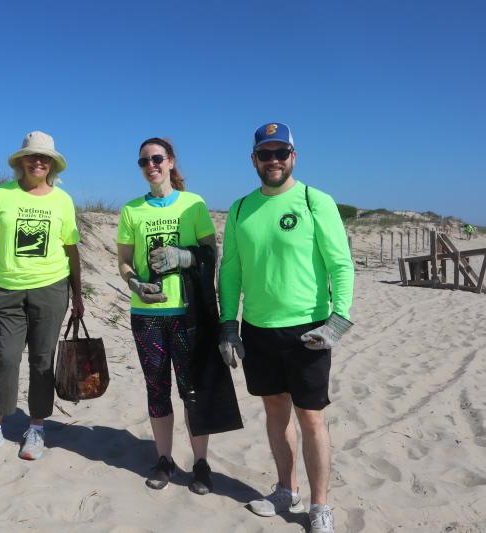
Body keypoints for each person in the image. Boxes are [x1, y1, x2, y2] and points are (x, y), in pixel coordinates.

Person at [218, 123, 354, 533]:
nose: (273, 160)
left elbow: (341, 264)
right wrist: (228, 324)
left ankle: (320, 506)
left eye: (281, 153)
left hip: (310, 329)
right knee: (275, 411)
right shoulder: (241, 209)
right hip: (258, 329)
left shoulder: (315, 200)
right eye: (265, 153)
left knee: (311, 418)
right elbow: (230, 272)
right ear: (254, 159)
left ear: (294, 156)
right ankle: (285, 488)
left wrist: (339, 320)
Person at [0, 131, 84, 461]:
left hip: (51, 289)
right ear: (21, 161)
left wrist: (78, 294)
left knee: (42, 361)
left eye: (44, 157)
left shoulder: (62, 200)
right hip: (7, 290)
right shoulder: (1, 195)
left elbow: (72, 250)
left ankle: (36, 428)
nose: (38, 161)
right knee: (7, 357)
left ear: (52, 164)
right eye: (32, 156)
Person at [116, 137, 218, 494]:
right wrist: (134, 284)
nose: (151, 165)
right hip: (147, 315)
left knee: (192, 391)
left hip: (187, 314)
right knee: (157, 390)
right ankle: (164, 460)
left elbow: (210, 254)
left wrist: (184, 256)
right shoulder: (132, 211)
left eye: (157, 159)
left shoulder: (194, 205)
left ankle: (201, 464)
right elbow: (125, 262)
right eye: (144, 161)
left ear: (171, 162)